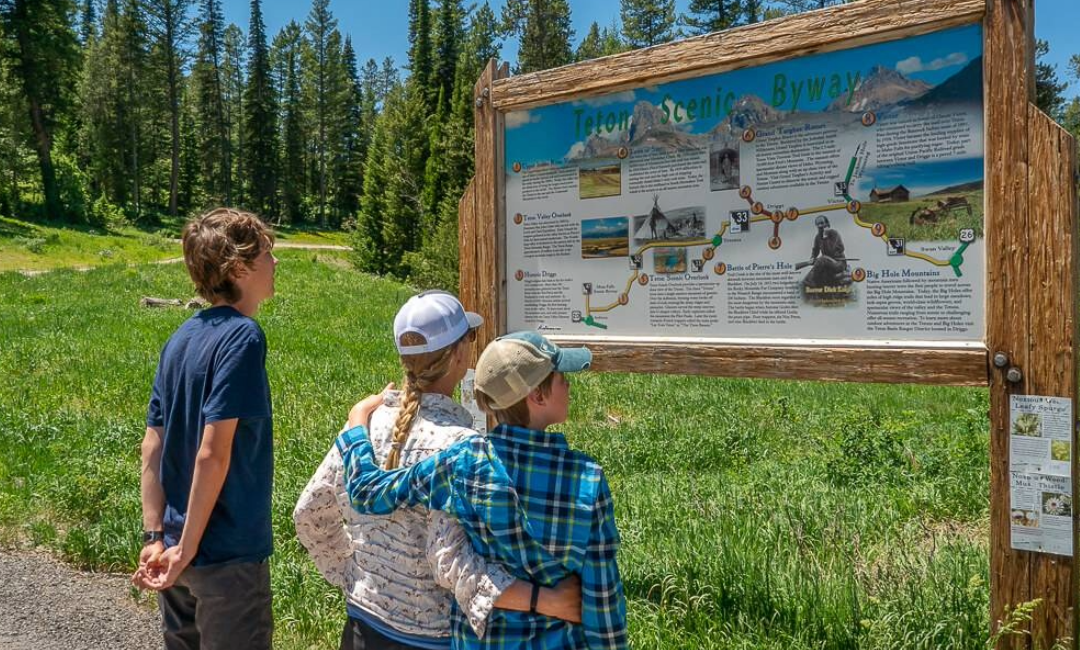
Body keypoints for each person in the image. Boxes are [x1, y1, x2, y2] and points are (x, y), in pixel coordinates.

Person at [294, 292, 582, 650]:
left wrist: (350, 575)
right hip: (431, 636)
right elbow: (450, 561)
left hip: (361, 626)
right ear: (460, 355)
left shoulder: (365, 425)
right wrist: (543, 599)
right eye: (469, 338)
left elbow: (309, 514)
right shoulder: (460, 446)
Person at [337, 331, 628, 650]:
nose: (568, 384)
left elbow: (368, 492)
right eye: (559, 377)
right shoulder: (586, 478)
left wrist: (356, 429)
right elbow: (603, 598)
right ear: (537, 396)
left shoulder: (464, 461)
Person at [133, 208, 278, 650]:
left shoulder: (179, 339)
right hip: (224, 555)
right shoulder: (242, 337)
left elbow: (152, 446)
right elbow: (213, 453)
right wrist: (188, 549)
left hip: (177, 548)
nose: (275, 263)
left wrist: (157, 538)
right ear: (239, 268)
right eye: (269, 254)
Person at [803, 215, 849, 288]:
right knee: (818, 263)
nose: (820, 226)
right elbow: (815, 250)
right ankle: (807, 282)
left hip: (838, 263)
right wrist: (812, 257)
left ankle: (810, 282)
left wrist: (825, 238)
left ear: (827, 224)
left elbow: (833, 250)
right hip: (826, 263)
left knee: (822, 259)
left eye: (822, 223)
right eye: (818, 224)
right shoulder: (818, 237)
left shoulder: (834, 234)